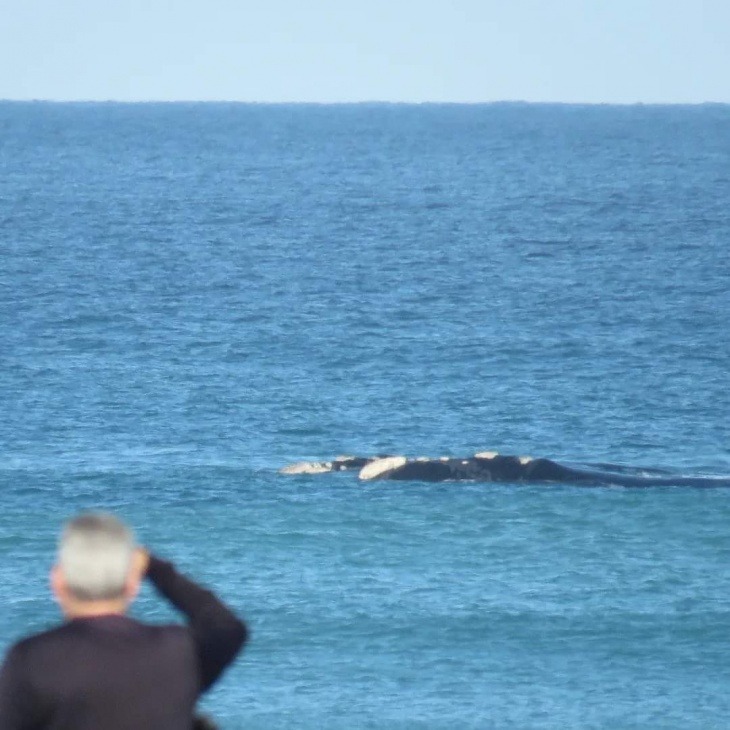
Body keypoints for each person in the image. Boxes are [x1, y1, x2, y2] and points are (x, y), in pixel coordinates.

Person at [0, 512, 248, 729]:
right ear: (132, 584)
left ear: (57, 582)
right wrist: (154, 567)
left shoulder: (32, 660)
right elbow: (227, 627)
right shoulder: (175, 652)